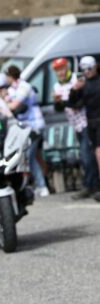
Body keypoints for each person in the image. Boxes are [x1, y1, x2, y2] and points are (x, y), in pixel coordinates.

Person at [51, 57, 99, 199]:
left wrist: (68, 96)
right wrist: (57, 102)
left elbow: (78, 103)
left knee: (86, 155)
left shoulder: (77, 80)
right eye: (57, 70)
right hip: (75, 125)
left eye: (62, 69)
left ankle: (90, 186)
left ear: (67, 67)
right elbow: (59, 109)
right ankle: (91, 185)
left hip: (86, 122)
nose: (60, 72)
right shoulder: (57, 86)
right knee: (86, 156)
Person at [4, 65, 49, 197]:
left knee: (29, 156)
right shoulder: (12, 89)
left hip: (34, 126)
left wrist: (4, 102)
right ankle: (42, 184)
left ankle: (40, 185)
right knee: (35, 156)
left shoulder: (24, 87)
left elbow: (13, 106)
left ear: (11, 76)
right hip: (23, 127)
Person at [69, 56, 100, 202]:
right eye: (84, 69)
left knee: (98, 152)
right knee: (92, 155)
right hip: (91, 122)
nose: (86, 72)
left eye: (89, 68)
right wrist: (74, 90)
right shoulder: (84, 85)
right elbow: (74, 105)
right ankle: (93, 185)